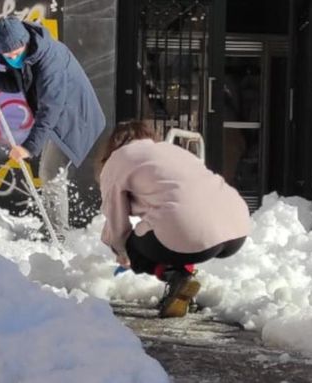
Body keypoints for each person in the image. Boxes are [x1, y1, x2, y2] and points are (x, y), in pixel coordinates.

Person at [98, 121, 251, 318]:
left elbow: (115, 217)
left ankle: (175, 276)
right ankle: (182, 284)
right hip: (237, 227)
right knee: (173, 230)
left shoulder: (118, 159)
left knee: (140, 242)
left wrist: (123, 251)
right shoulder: (172, 151)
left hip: (190, 232)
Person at [0, 16, 106, 235]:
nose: (14, 58)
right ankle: (53, 228)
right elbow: (17, 83)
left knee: (51, 173)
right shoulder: (24, 51)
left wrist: (28, 147)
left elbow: (50, 109)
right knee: (49, 172)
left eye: (17, 53)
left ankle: (57, 234)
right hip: (58, 117)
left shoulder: (50, 61)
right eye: (8, 56)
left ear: (25, 42)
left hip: (73, 118)